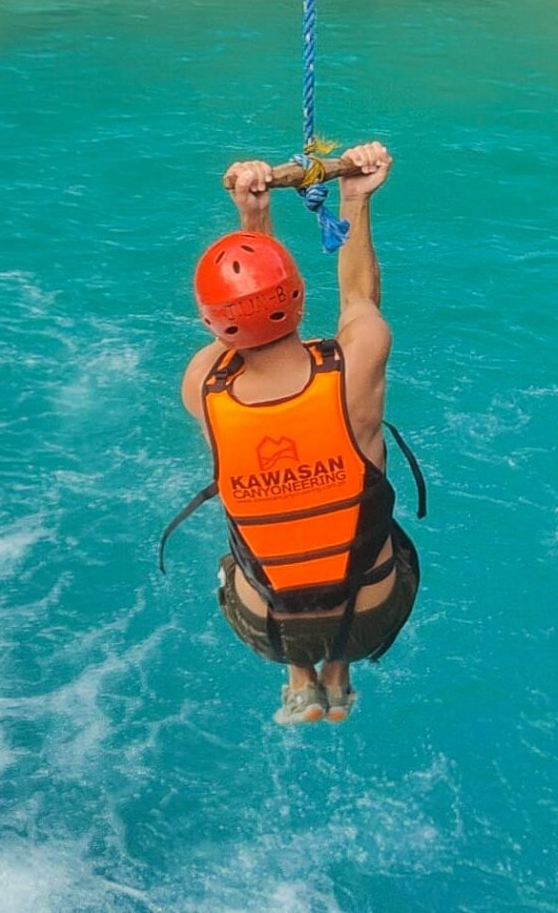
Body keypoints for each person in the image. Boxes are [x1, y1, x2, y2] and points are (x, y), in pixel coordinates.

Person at [176, 141, 423, 725]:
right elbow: (359, 296)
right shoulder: (356, 368)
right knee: (368, 516)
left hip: (268, 630)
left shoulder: (201, 386)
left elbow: (250, 323)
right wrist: (355, 199)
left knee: (250, 540)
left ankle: (301, 679)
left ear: (212, 320)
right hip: (374, 614)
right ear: (297, 294)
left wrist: (253, 218)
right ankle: (340, 671)